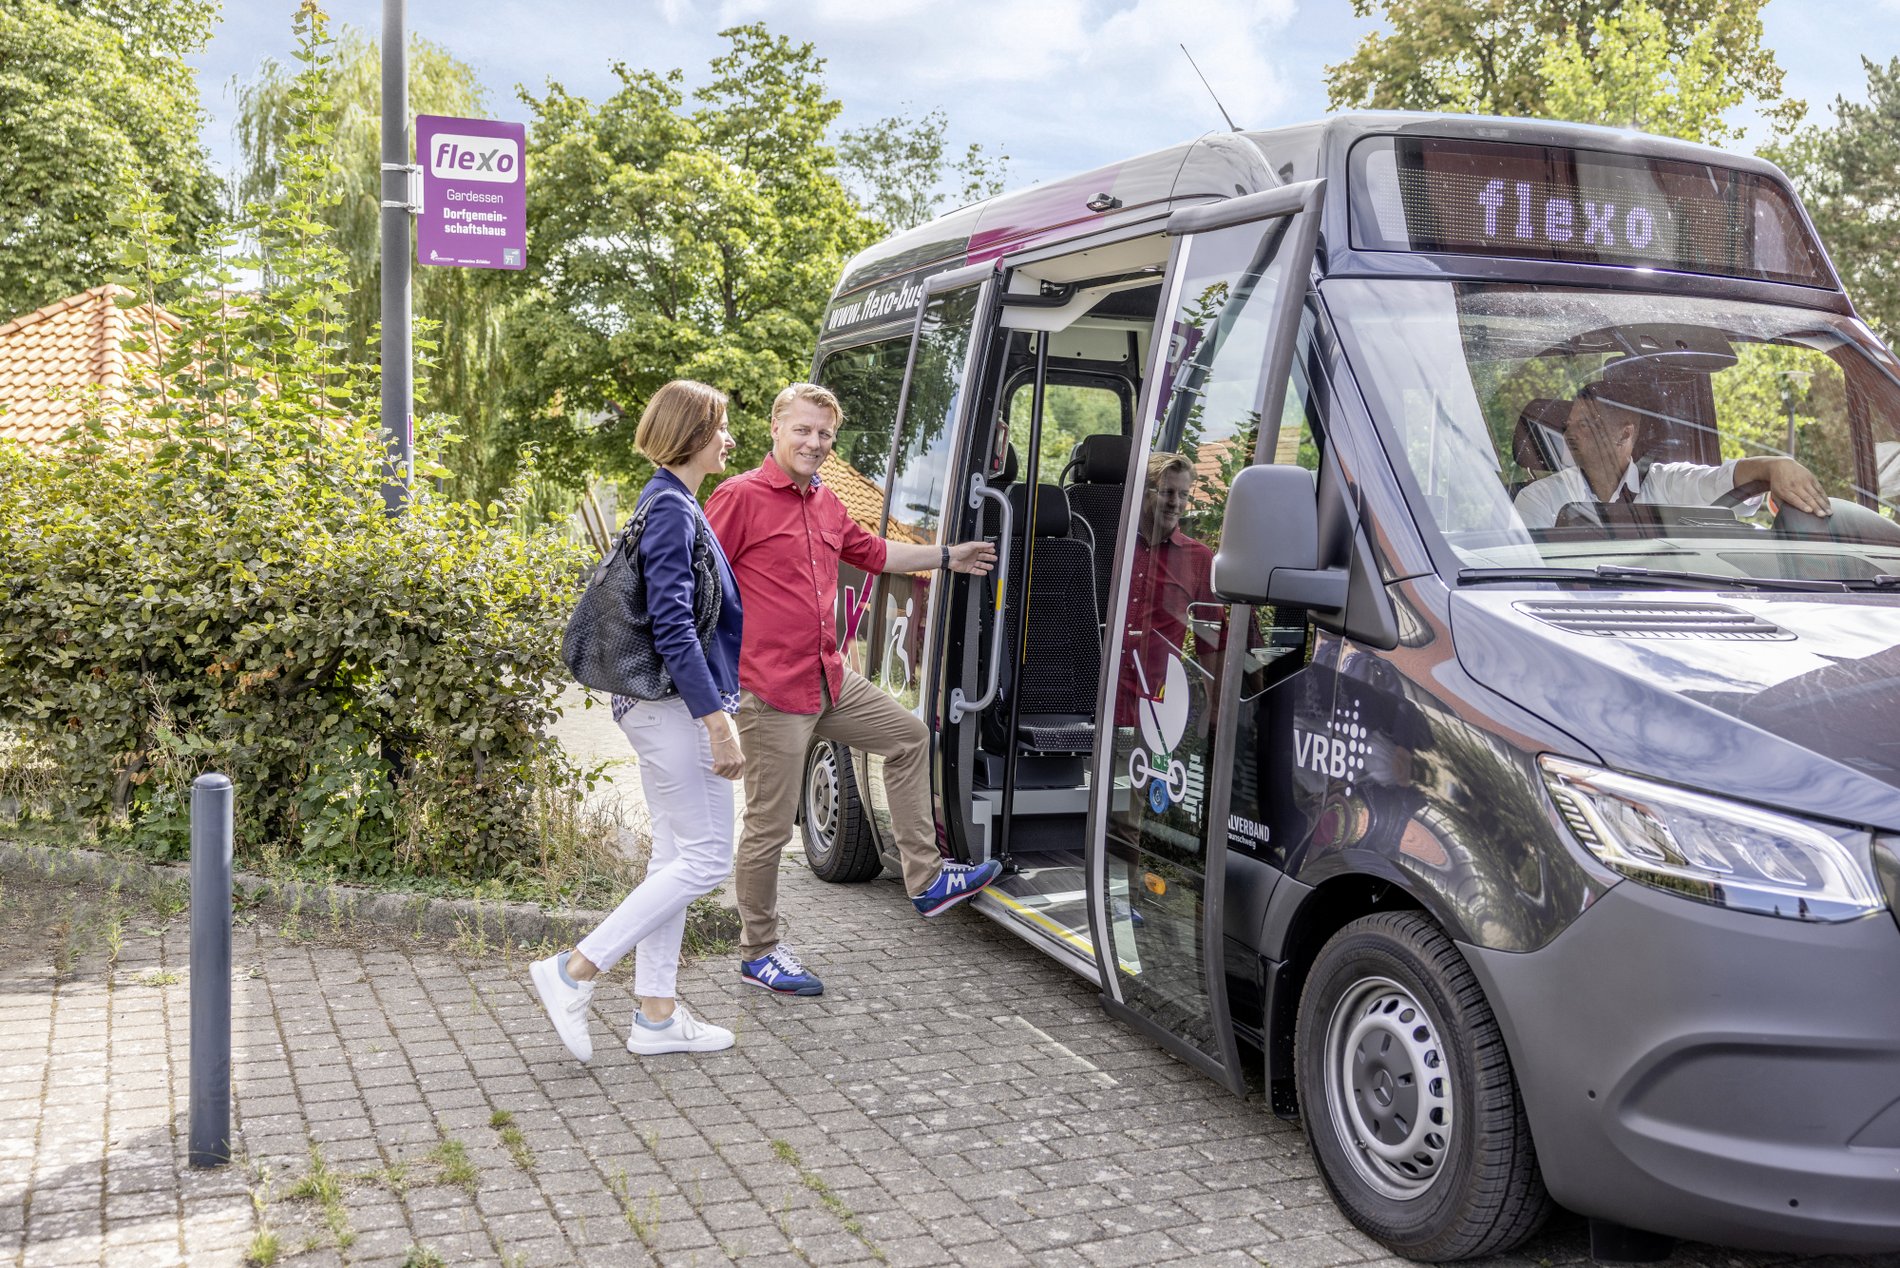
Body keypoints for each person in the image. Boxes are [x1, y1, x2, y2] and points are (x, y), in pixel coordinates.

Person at [704, 382, 1000, 997]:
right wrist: (712, 697)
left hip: (828, 678)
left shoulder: (827, 502)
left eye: (825, 435)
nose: (815, 443)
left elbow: (873, 552)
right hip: (771, 692)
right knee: (769, 828)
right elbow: (696, 586)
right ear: (776, 428)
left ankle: (925, 881)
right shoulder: (738, 497)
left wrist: (949, 555)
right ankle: (758, 951)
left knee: (908, 736)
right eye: (804, 430)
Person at [531, 380, 747, 1061]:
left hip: (670, 708)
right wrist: (716, 718)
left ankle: (656, 1016)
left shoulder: (674, 501)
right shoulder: (671, 512)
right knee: (707, 859)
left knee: (675, 858)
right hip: (673, 709)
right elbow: (675, 627)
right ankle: (574, 971)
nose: (729, 439)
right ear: (692, 435)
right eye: (720, 428)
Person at [1513, 380, 1832, 530]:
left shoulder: (1665, 484)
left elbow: (1719, 481)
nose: (1570, 434)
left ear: (1625, 434)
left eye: (1588, 425)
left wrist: (1775, 466)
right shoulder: (1539, 499)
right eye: (1571, 425)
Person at [1115, 451, 1223, 729]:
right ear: (1144, 493)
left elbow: (1210, 639)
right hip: (1100, 700)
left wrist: (1215, 707)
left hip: (1155, 709)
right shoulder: (1113, 545)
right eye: (1167, 492)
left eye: (1183, 494)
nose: (1176, 503)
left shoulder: (1199, 559)